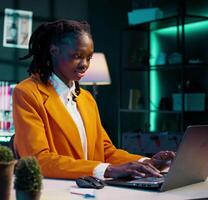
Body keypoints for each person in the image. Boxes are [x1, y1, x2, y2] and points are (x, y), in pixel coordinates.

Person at [13, 19, 175, 180]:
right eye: (77, 56)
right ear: (54, 51)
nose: (84, 64)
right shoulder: (27, 93)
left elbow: (106, 151)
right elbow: (38, 160)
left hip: (92, 190)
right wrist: (108, 170)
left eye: (89, 58)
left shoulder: (86, 98)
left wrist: (147, 162)